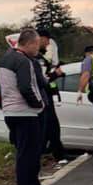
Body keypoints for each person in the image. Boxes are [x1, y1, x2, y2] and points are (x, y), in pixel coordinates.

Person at [0, 28, 52, 185]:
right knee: (29, 153)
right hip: (25, 112)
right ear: (30, 43)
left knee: (27, 151)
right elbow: (27, 87)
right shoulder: (23, 61)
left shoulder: (6, 58)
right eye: (36, 45)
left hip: (11, 111)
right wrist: (40, 104)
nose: (38, 49)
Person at [36, 28, 67, 162]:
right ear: (41, 38)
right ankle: (58, 155)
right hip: (41, 96)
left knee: (48, 127)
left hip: (45, 95)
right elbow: (42, 79)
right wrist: (56, 74)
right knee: (51, 126)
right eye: (47, 41)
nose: (48, 44)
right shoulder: (38, 59)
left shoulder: (41, 57)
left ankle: (49, 152)